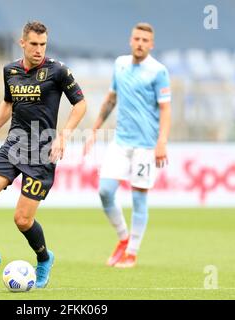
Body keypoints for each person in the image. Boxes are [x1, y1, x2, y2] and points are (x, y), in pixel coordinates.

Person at [0, 21, 87, 288]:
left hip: (42, 152)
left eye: (43, 44)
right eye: (33, 44)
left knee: (22, 220)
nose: (39, 49)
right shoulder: (10, 71)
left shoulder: (58, 71)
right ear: (23, 43)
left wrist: (64, 136)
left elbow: (80, 104)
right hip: (14, 145)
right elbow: (8, 102)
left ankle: (44, 259)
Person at [83, 23, 171, 268]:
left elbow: (165, 109)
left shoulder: (158, 71)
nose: (140, 43)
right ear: (130, 40)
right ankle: (123, 238)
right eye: (137, 38)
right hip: (121, 142)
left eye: (145, 40)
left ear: (151, 45)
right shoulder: (120, 64)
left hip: (146, 146)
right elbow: (111, 99)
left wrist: (161, 142)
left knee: (139, 198)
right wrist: (94, 130)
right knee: (105, 191)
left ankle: (132, 253)